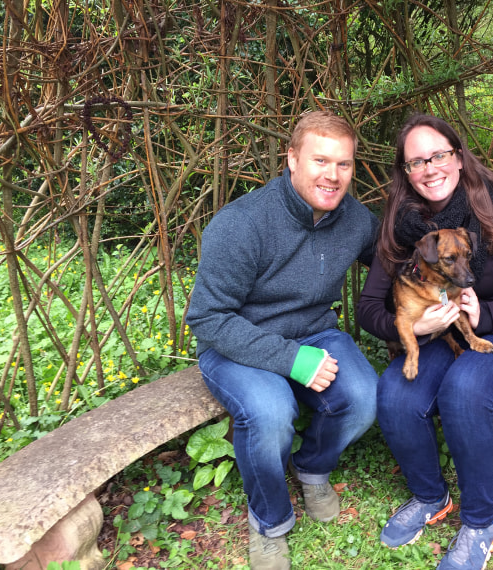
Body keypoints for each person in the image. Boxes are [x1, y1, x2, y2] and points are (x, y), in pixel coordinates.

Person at [357, 114, 493, 570]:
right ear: (406, 173)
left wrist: (488, 314)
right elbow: (368, 309)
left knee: (466, 388)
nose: (429, 168)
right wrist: (413, 329)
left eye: (438, 155)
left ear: (458, 158)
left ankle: (482, 521)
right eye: (416, 162)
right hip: (446, 335)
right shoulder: (400, 230)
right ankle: (431, 497)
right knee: (396, 392)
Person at [186, 111, 380, 570]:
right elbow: (209, 317)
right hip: (236, 342)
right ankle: (269, 520)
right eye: (320, 160)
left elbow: (394, 259)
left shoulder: (354, 219)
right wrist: (291, 360)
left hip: (314, 331)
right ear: (291, 158)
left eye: (344, 165)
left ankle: (312, 467)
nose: (332, 176)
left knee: (365, 396)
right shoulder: (242, 224)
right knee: (271, 414)